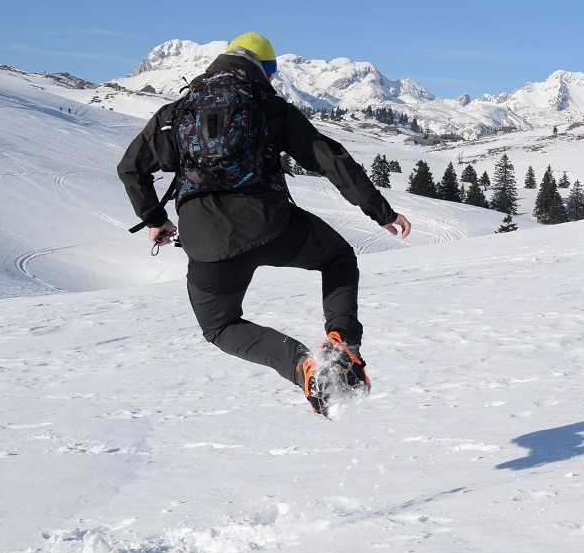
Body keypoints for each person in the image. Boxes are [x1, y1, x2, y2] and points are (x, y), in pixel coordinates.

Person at [118, 32, 411, 416]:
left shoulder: (176, 113)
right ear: (265, 71)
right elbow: (330, 158)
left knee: (220, 326)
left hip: (206, 244)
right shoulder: (267, 104)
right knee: (337, 258)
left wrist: (155, 219)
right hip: (272, 226)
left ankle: (301, 366)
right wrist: (381, 212)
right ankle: (341, 344)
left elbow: (130, 168)